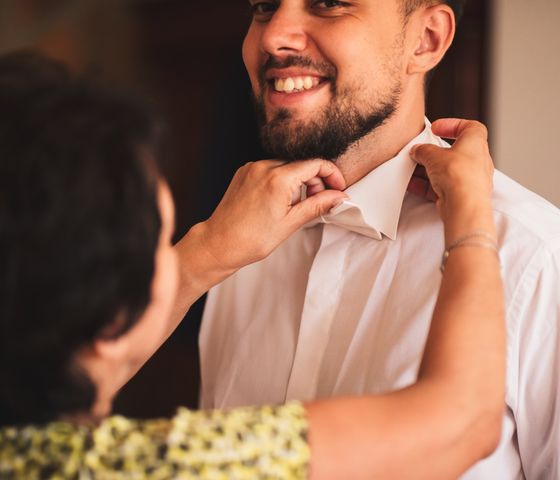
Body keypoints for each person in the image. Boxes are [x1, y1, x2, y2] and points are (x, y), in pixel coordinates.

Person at [0, 52, 504, 478]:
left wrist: (213, 245)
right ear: (108, 323)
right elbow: (461, 421)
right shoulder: (143, 464)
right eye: (159, 243)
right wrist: (474, 226)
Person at [197, 1, 560, 478]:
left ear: (426, 38)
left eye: (328, 3)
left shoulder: (540, 262)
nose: (272, 35)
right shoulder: (232, 248)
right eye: (263, 6)